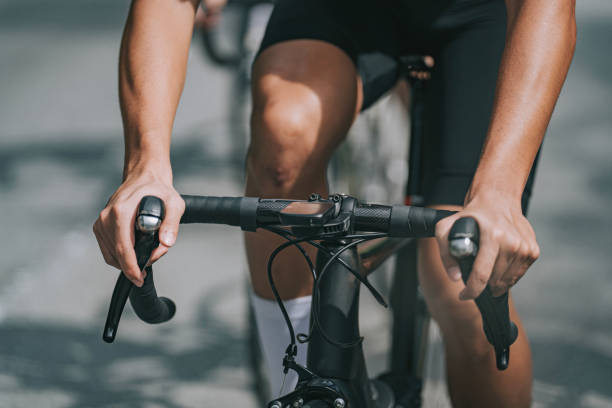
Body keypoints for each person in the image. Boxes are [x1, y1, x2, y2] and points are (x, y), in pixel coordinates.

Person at [93, 0, 576, 406]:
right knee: (283, 142)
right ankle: (300, 381)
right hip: (344, 9)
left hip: (480, 15)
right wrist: (145, 167)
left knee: (459, 280)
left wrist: (498, 194)